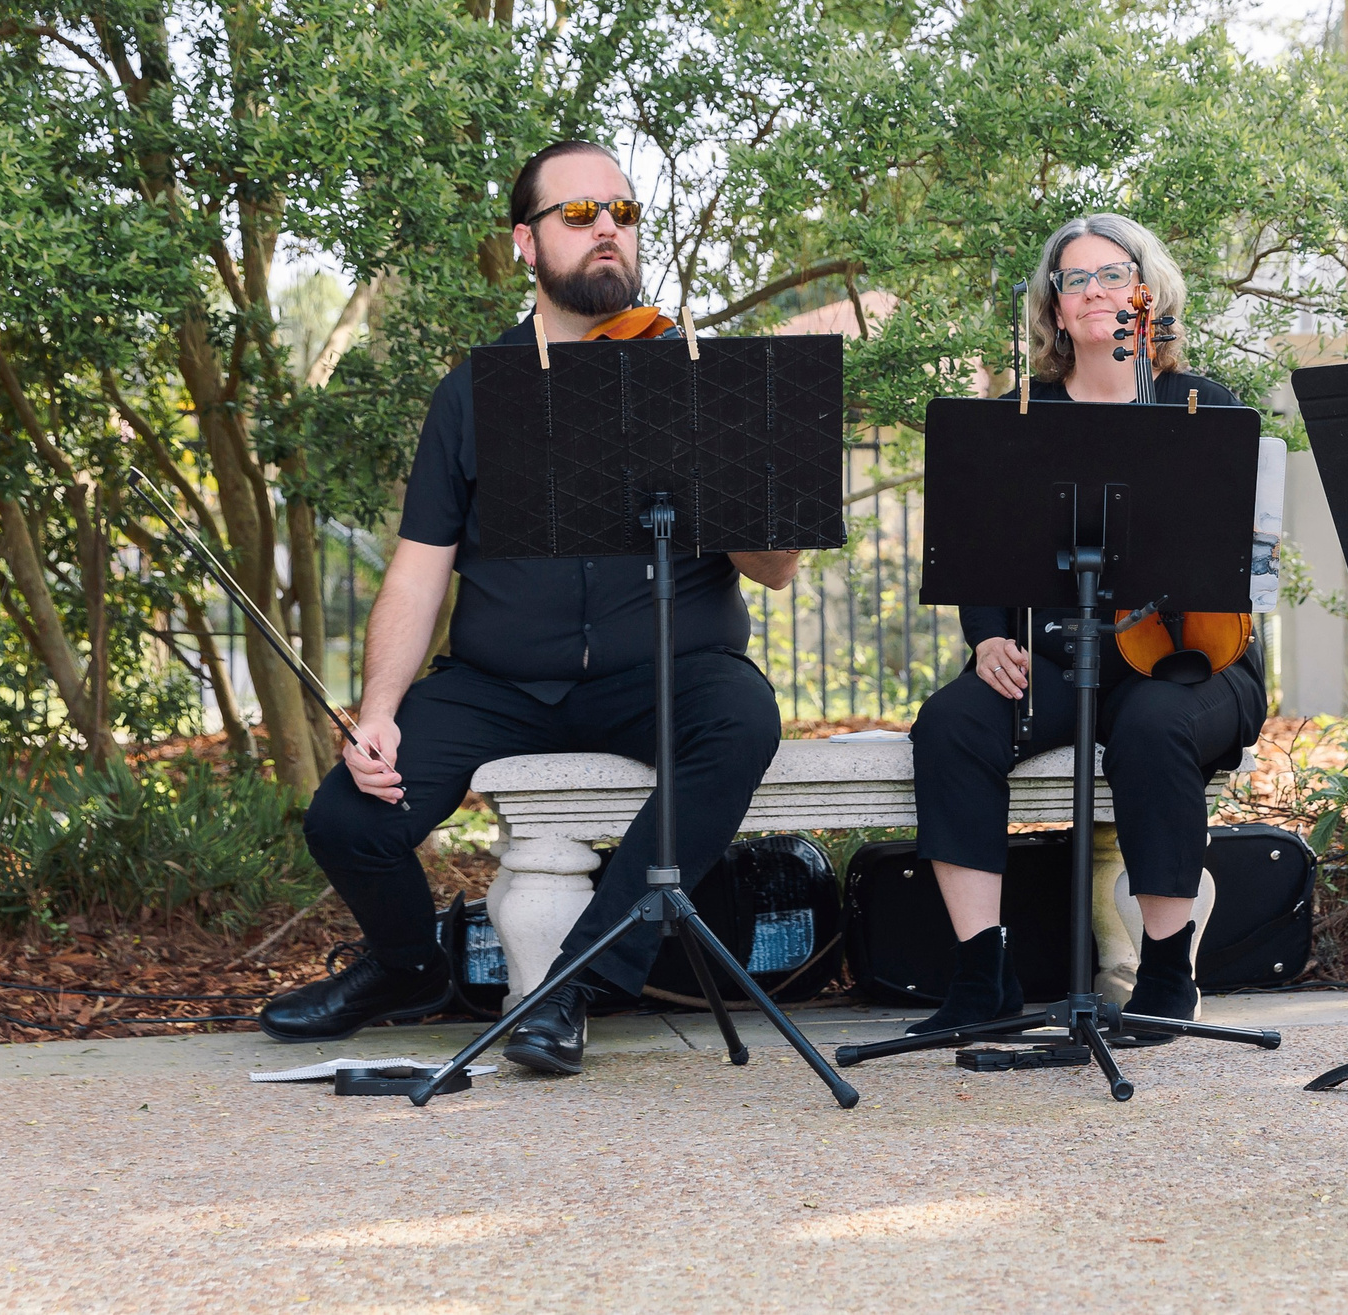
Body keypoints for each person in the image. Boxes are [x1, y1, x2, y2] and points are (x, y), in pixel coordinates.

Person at [258, 140, 802, 1076]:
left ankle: (577, 982)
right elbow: (421, 569)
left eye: (622, 215)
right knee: (350, 818)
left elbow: (777, 567)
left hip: (669, 668)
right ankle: (407, 969)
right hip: (498, 680)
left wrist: (717, 465)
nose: (606, 231)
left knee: (743, 717)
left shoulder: (696, 373)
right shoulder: (473, 391)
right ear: (525, 240)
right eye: (580, 214)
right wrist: (379, 709)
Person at [904, 214, 1268, 1035]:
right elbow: (982, 551)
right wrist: (989, 636)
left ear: (1148, 289)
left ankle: (1168, 974)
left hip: (1195, 659)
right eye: (1077, 280)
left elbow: (1250, 560)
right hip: (1060, 655)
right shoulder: (1020, 415)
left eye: (1114, 273)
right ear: (1056, 308)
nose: (1097, 291)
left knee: (1154, 727)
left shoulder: (1203, 406)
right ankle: (981, 975)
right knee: (952, 722)